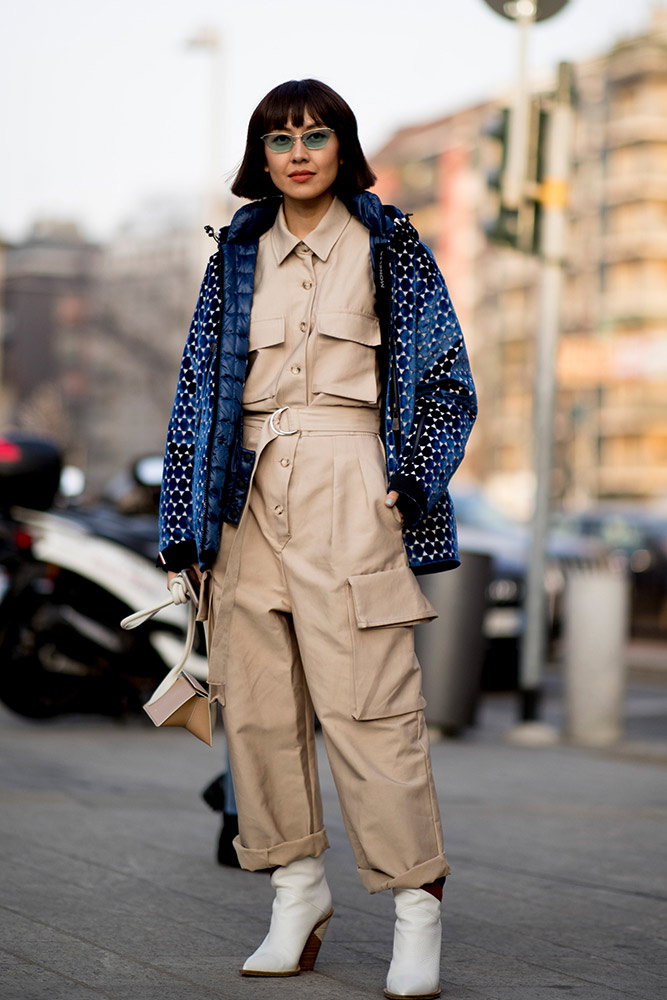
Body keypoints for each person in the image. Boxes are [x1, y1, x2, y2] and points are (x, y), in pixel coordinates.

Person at [158, 79, 476, 1000]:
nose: (298, 152)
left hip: (354, 490)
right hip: (244, 497)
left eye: (316, 134)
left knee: (372, 714)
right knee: (257, 714)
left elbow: (447, 379)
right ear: (260, 156)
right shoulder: (235, 257)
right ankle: (295, 895)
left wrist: (405, 483)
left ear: (343, 148)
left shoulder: (393, 246)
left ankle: (416, 907)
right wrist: (184, 524)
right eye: (279, 138)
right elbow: (195, 395)